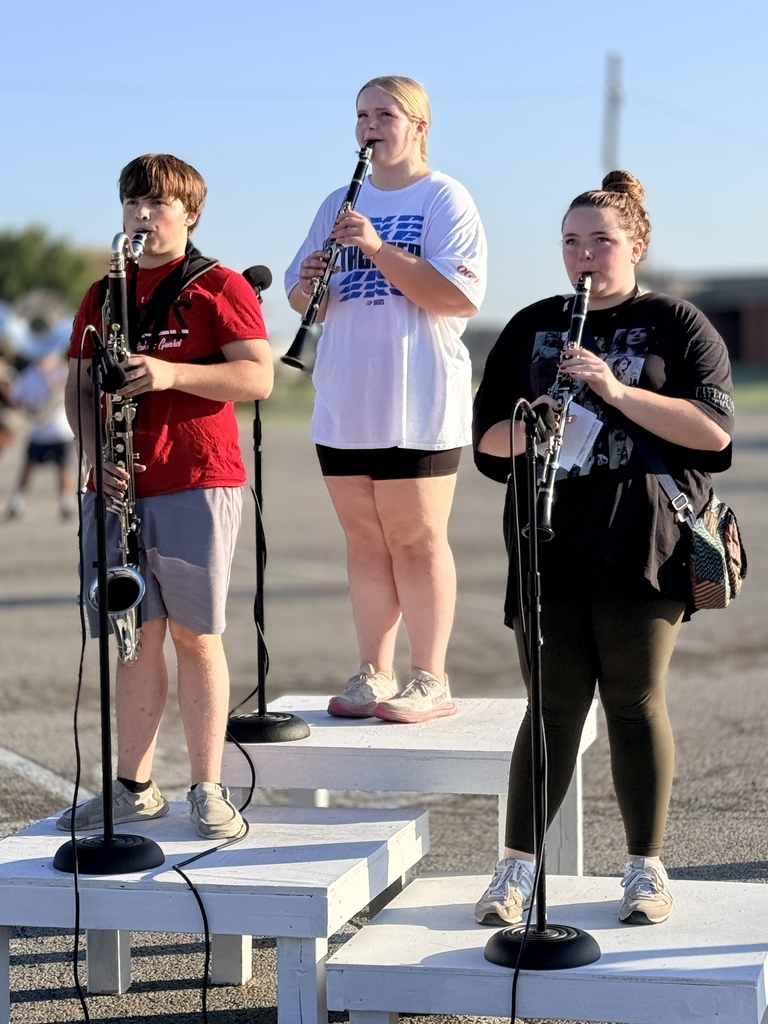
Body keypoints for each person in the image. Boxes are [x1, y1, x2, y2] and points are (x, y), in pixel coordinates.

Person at [472, 171, 733, 926]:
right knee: (549, 708)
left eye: (601, 240)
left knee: (632, 700)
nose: (584, 254)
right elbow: (489, 446)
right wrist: (537, 416)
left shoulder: (678, 324)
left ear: (635, 245)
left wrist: (616, 393)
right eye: (571, 242)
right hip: (546, 541)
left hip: (641, 542)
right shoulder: (530, 324)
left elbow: (713, 436)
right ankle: (516, 869)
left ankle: (645, 868)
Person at [58, 154, 273, 839]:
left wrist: (171, 373)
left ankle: (207, 787)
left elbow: (258, 377)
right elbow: (77, 387)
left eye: (155, 204)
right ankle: (133, 786)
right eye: (131, 204)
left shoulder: (218, 285)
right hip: (118, 485)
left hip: (194, 478)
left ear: (190, 214)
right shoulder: (103, 293)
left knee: (195, 634)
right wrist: (95, 454)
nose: (142, 216)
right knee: (131, 638)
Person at [285, 76, 486, 724]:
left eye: (384, 113)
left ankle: (430, 677)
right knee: (364, 540)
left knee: (417, 539)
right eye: (361, 115)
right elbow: (297, 294)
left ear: (418, 126)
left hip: (417, 397)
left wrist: (374, 247)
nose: (369, 125)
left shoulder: (444, 198)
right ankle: (375, 671)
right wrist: (312, 280)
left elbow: (457, 296)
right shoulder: (334, 203)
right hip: (348, 393)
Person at [5, 350, 76, 520]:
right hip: (38, 431)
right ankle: (17, 501)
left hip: (61, 431)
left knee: (65, 468)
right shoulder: (28, 375)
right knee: (28, 466)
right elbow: (16, 401)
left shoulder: (62, 371)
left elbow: (75, 391)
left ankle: (67, 503)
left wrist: (57, 384)